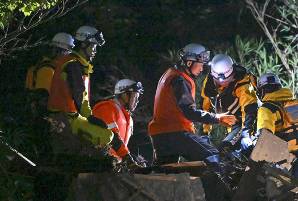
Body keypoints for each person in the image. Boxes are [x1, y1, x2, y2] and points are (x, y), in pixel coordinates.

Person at [148, 43, 237, 175]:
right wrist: (217, 118)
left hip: (160, 135)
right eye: (200, 65)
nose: (201, 69)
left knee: (165, 174)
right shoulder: (180, 79)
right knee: (212, 156)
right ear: (189, 63)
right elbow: (189, 111)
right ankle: (225, 195)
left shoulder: (169, 74)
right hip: (175, 133)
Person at [47, 25, 114, 148]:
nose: (94, 51)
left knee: (106, 133)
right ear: (83, 45)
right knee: (106, 135)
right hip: (65, 118)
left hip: (69, 116)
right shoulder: (73, 66)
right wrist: (90, 117)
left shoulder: (74, 63)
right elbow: (78, 94)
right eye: (93, 46)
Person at [201, 54, 258, 154]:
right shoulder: (209, 82)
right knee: (228, 154)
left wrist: (246, 134)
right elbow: (205, 106)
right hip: (232, 124)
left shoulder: (242, 81)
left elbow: (249, 109)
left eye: (226, 80)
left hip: (249, 123)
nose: (222, 83)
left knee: (224, 151)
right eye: (218, 80)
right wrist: (204, 133)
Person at [92, 79, 144, 166]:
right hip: (101, 164)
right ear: (125, 96)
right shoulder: (107, 108)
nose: (137, 101)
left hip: (115, 165)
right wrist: (128, 160)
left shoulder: (128, 118)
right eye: (135, 97)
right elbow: (112, 138)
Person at [255, 73, 298, 154]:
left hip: (281, 155)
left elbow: (263, 138)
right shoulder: (292, 104)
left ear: (262, 90)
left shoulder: (266, 109)